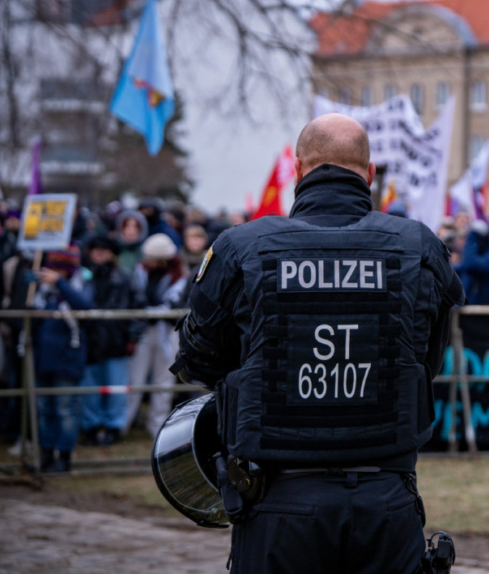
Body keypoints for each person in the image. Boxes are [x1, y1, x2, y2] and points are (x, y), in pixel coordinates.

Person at [172, 113, 465, 574]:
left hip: (278, 503)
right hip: (385, 502)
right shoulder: (418, 246)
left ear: (298, 169)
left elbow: (198, 360)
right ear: (369, 174)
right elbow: (427, 362)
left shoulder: (241, 247)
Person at [32, 247, 94, 472]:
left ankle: (64, 457)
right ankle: (46, 455)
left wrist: (60, 282)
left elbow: (85, 305)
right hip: (42, 359)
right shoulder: (40, 291)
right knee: (44, 409)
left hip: (67, 359)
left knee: (65, 409)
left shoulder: (79, 285)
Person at [123, 233, 187, 438]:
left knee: (164, 380)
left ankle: (157, 426)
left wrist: (151, 311)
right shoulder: (140, 272)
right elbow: (136, 299)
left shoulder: (179, 277)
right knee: (135, 378)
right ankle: (124, 423)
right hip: (142, 331)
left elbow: (174, 304)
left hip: (167, 333)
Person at [80, 235, 136, 446]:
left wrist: (132, 336)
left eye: (103, 249)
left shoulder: (124, 276)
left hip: (116, 340)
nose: (99, 253)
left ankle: (114, 426)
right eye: (95, 249)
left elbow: (137, 305)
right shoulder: (82, 277)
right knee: (89, 388)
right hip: (89, 341)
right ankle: (91, 427)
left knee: (117, 388)